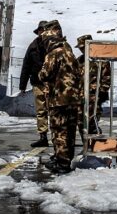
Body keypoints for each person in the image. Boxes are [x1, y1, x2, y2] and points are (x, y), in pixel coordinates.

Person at [37, 20, 81, 174]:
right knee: (70, 131)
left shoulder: (53, 54)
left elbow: (45, 75)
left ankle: (61, 163)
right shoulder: (69, 52)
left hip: (59, 99)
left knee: (59, 131)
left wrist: (41, 71)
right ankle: (65, 158)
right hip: (73, 99)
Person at [19, 20, 50, 147]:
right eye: (40, 30)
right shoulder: (33, 46)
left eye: (44, 30)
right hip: (38, 84)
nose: (42, 33)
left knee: (54, 110)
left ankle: (59, 138)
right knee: (41, 111)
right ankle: (43, 137)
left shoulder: (54, 45)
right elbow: (26, 65)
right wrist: (22, 85)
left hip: (53, 84)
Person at [75, 34, 111, 138]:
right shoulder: (80, 61)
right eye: (80, 48)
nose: (81, 50)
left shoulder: (101, 60)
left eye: (83, 47)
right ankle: (86, 145)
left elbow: (106, 79)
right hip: (81, 98)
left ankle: (94, 145)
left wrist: (100, 94)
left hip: (94, 98)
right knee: (81, 123)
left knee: (91, 122)